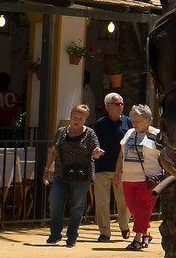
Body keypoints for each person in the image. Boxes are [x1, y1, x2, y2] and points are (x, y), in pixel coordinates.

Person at [42, 103, 102, 246]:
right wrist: (46, 171)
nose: (77, 120)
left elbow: (95, 151)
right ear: (70, 116)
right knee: (55, 201)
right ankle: (55, 234)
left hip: (81, 176)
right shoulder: (61, 132)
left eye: (80, 118)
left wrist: (97, 153)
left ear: (85, 120)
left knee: (77, 206)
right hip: (61, 174)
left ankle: (72, 235)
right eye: (75, 117)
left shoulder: (90, 134)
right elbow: (53, 151)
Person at [119, 104, 164, 251]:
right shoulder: (129, 133)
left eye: (136, 121)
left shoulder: (156, 135)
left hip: (149, 179)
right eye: (132, 120)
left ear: (147, 120)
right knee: (133, 208)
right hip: (128, 177)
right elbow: (121, 154)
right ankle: (146, 232)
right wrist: (116, 173)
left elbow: (165, 156)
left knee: (143, 210)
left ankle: (137, 239)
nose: (133, 123)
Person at [88, 92, 131, 244]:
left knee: (124, 201)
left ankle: (124, 226)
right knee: (102, 202)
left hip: (122, 170)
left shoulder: (128, 122)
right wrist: (95, 151)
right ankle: (104, 232)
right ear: (107, 107)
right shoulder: (100, 124)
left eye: (122, 104)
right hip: (102, 168)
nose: (121, 107)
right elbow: (93, 143)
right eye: (117, 104)